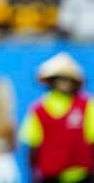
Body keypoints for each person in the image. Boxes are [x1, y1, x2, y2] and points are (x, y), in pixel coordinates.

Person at [19, 52, 94, 183]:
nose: (63, 83)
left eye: (67, 79)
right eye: (60, 79)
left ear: (74, 82)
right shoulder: (38, 109)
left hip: (83, 175)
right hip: (50, 176)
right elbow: (33, 146)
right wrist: (33, 175)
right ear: (51, 81)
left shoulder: (87, 105)